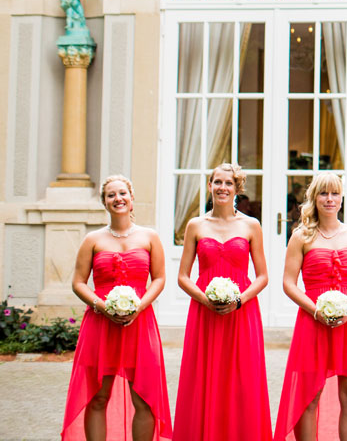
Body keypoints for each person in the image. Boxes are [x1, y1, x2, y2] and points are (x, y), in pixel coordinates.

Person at [62, 174, 172, 441]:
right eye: (111, 195)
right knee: (98, 397)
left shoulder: (150, 237)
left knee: (144, 399)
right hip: (100, 326)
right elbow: (78, 283)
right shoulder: (92, 240)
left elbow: (159, 278)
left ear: (132, 199)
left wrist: (140, 306)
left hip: (140, 325)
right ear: (105, 203)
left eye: (122, 193)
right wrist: (101, 306)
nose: (117, 199)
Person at [274, 173, 347, 441]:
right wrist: (315, 310)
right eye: (323, 193)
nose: (329, 199)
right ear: (314, 198)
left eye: (335, 193)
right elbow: (288, 283)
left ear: (342, 198)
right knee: (308, 396)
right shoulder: (301, 236)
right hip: (312, 321)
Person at [174, 163, 272, 441]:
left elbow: (263, 276)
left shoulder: (251, 225)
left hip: (242, 312)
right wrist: (205, 300)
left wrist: (239, 300)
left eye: (228, 183)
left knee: (242, 379)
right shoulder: (196, 225)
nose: (222, 188)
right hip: (205, 312)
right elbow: (182, 277)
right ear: (209, 186)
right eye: (217, 182)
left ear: (237, 189)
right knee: (204, 379)